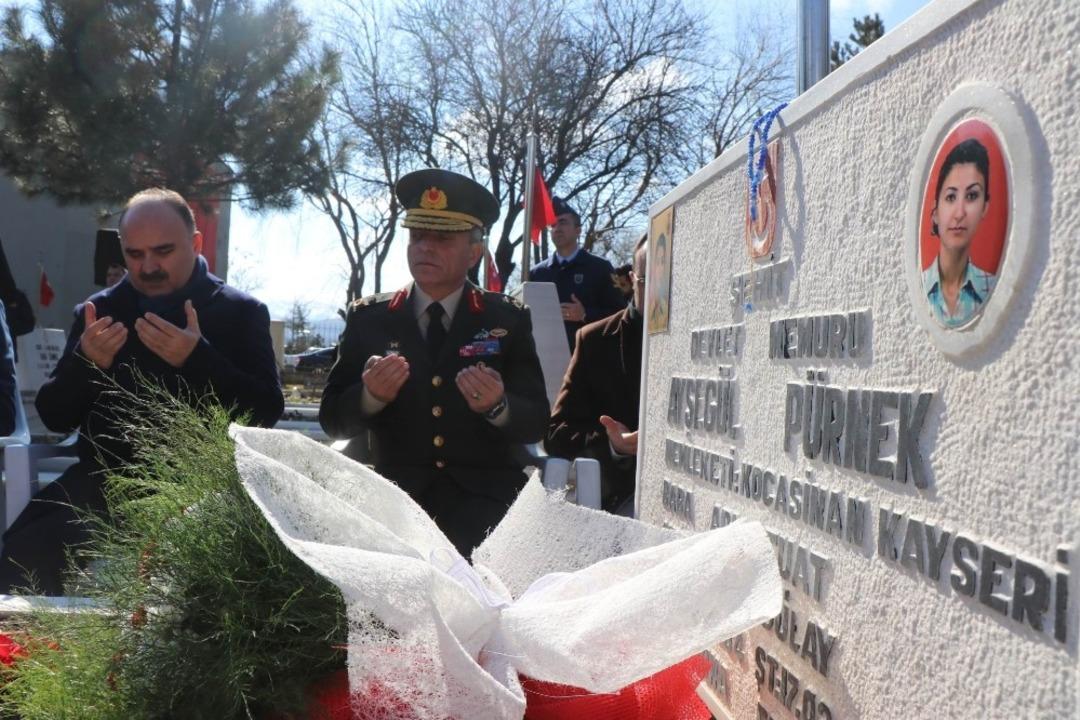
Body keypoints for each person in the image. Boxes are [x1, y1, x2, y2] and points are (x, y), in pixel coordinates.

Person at [0, 188, 284, 595]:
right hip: (106, 485)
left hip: (206, 489)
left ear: (196, 243)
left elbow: (265, 412)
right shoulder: (99, 312)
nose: (148, 266)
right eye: (134, 255)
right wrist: (87, 363)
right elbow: (55, 416)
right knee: (23, 557)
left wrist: (198, 359)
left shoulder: (240, 312)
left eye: (163, 251)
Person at [320, 168, 549, 556]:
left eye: (442, 238)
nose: (425, 247)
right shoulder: (369, 318)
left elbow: (537, 420)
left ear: (474, 252)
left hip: (485, 507)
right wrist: (370, 397)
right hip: (394, 506)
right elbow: (332, 419)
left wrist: (499, 406)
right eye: (417, 236)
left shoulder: (505, 319)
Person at [545, 234, 647, 514]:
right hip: (623, 501)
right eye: (647, 281)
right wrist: (615, 446)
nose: (659, 295)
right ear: (631, 278)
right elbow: (558, 433)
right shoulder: (595, 341)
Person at [528, 198, 626, 351]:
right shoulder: (538, 273)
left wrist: (585, 314)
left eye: (563, 222)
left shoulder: (600, 268)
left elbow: (620, 314)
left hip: (589, 359)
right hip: (546, 359)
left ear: (578, 230)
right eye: (553, 225)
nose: (557, 228)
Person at [922, 138, 997, 328]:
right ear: (936, 211)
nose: (960, 213)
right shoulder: (923, 284)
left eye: (972, 196)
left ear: (984, 208)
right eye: (950, 197)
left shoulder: (990, 285)